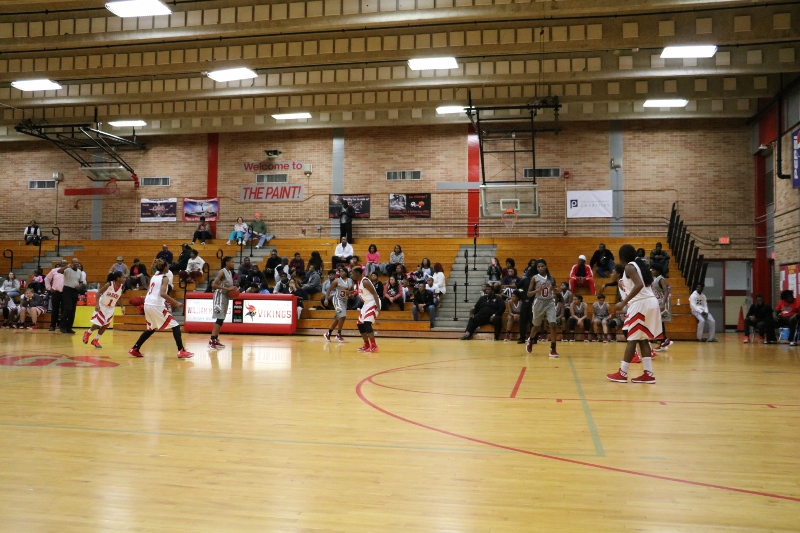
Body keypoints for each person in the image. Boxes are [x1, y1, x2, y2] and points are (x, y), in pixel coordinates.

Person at [606, 244, 663, 384]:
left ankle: (623, 373)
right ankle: (648, 373)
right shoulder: (638, 265)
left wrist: (623, 302)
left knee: (632, 339)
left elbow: (639, 285)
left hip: (641, 304)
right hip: (649, 302)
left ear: (622, 256)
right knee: (642, 339)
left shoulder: (629, 267)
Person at [128, 258, 193, 359]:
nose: (168, 267)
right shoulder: (164, 278)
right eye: (167, 266)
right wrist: (175, 303)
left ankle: (135, 349)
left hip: (148, 303)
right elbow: (162, 293)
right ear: (165, 267)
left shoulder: (154, 276)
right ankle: (181, 351)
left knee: (152, 328)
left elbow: (150, 291)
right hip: (156, 305)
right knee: (176, 326)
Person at [525, 259, 560, 357]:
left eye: (542, 266)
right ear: (537, 268)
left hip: (550, 302)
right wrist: (538, 290)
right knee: (536, 326)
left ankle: (553, 349)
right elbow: (528, 294)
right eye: (538, 267)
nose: (540, 268)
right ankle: (531, 340)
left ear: (546, 267)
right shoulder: (534, 278)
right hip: (539, 302)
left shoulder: (551, 278)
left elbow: (555, 290)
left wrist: (556, 290)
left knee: (553, 324)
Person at [83, 271, 125, 347]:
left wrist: (122, 307)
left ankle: (95, 340)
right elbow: (98, 293)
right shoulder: (109, 284)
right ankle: (88, 332)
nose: (125, 279)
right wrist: (97, 304)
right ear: (118, 278)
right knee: (98, 324)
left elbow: (120, 297)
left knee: (105, 325)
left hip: (111, 308)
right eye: (123, 277)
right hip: (102, 305)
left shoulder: (122, 287)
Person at [351, 266, 380, 352]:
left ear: (358, 273)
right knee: (360, 324)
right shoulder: (358, 282)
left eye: (353, 273)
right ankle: (366, 344)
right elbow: (361, 292)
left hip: (373, 302)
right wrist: (350, 293)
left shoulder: (365, 281)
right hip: (366, 304)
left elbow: (375, 293)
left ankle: (374, 345)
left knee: (367, 323)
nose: (351, 275)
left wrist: (378, 307)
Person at [323, 266, 353, 342]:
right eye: (340, 272)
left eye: (342, 271)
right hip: (337, 299)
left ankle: (328, 333)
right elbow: (329, 290)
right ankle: (338, 334)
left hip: (344, 300)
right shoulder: (336, 281)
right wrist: (326, 299)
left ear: (346, 273)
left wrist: (350, 293)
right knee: (343, 316)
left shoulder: (350, 280)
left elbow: (352, 290)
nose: (341, 273)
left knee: (338, 318)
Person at [650, 264, 674, 350]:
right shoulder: (654, 279)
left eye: (653, 270)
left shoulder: (661, 279)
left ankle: (663, 341)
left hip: (664, 302)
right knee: (658, 322)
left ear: (658, 271)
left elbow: (666, 291)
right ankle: (664, 340)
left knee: (660, 322)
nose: (651, 271)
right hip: (658, 302)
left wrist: (663, 303)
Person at [58, 257, 82, 335]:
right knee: (68, 308)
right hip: (67, 290)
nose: (76, 263)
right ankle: (62, 326)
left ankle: (69, 327)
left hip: (75, 291)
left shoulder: (79, 272)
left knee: (73, 310)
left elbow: (81, 282)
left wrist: (79, 286)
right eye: (75, 262)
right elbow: (59, 271)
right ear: (71, 263)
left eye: (77, 262)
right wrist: (66, 266)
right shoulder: (67, 269)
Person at [45, 259, 66, 332]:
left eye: (65, 263)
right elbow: (47, 279)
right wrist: (49, 288)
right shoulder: (54, 271)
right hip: (55, 292)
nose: (64, 264)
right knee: (55, 310)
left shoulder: (69, 271)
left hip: (65, 293)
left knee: (64, 310)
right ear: (60, 264)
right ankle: (52, 326)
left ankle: (62, 326)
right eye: (63, 263)